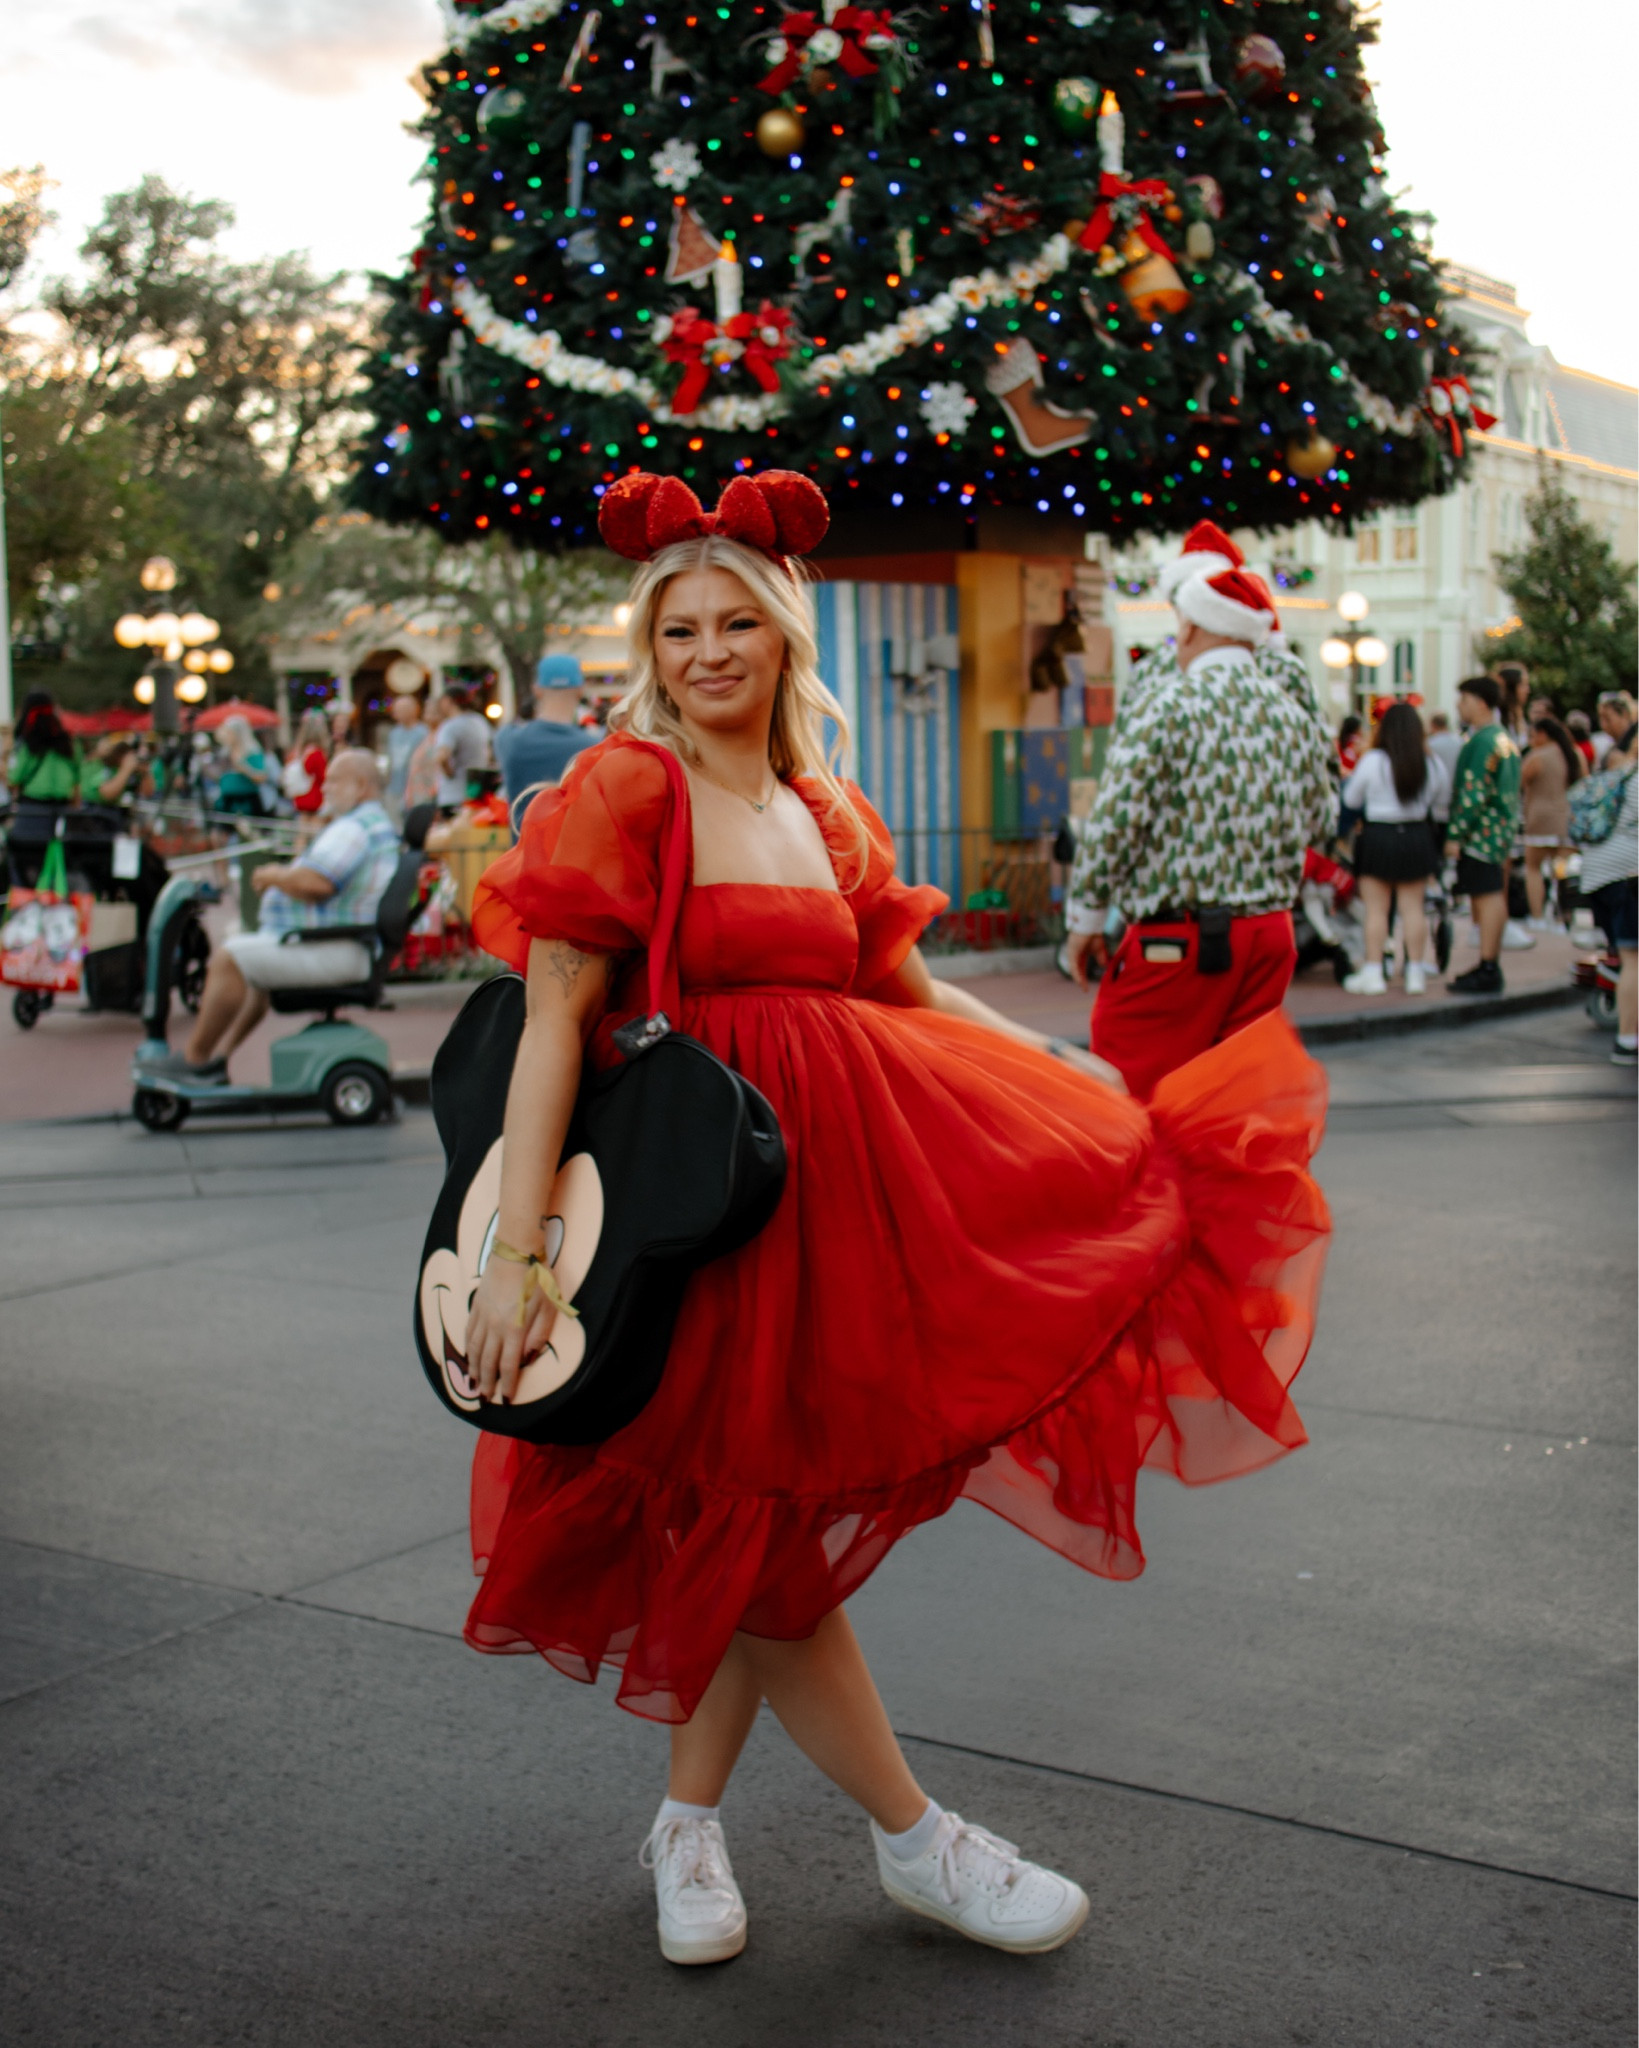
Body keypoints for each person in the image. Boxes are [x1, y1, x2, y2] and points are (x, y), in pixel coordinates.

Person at [458, 470, 1331, 1970]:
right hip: (686, 1218)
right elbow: (552, 1026)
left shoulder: (819, 805)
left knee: (762, 1515)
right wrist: (516, 1251)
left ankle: (684, 1829)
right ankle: (920, 1841)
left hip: (822, 1206)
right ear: (650, 648)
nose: (710, 653)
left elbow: (905, 1000)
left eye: (739, 622)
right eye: (680, 631)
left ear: (787, 636)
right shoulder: (626, 789)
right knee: (748, 1518)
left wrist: (1058, 1069)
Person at [1063, 521, 1335, 1099]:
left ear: (1189, 624)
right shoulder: (1289, 710)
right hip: (1270, 934)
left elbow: (1117, 819)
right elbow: (1322, 818)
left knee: (1130, 1094)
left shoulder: (1170, 702)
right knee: (1234, 1104)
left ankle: (1151, 1194)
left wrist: (1085, 919)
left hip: (1182, 939)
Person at [136, 750, 401, 1083]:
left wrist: (275, 875)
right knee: (251, 962)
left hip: (337, 946)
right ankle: (216, 1060)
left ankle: (196, 1059)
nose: (325, 788)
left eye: (333, 781)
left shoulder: (355, 828)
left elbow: (317, 882)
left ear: (361, 785)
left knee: (229, 959)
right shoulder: (370, 822)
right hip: (342, 942)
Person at [1339, 704, 1448, 996]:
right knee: (1413, 909)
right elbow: (1441, 798)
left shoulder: (1373, 760)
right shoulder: (1430, 762)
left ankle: (1374, 971)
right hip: (1416, 835)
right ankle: (1414, 972)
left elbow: (1350, 799)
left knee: (1376, 910)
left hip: (1379, 835)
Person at [1444, 676, 1521, 996]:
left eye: (1463, 699)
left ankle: (1489, 966)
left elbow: (1473, 792)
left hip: (1481, 833)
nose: (1459, 706)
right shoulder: (1502, 738)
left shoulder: (1482, 741)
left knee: (1487, 896)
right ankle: (1488, 963)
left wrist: (1455, 834)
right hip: (1498, 830)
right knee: (1491, 895)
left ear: (1480, 702)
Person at [1578, 722, 1638, 1064]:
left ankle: (1628, 1040)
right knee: (1633, 960)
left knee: (1629, 958)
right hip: (1628, 877)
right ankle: (1628, 1040)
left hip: (1602, 876)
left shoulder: (1622, 774)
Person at [493, 656, 597, 816]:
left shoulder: (508, 739)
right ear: (580, 690)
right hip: (575, 841)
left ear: (537, 690)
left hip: (524, 840)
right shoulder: (593, 747)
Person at [1520, 715, 1582, 928]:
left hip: (1540, 818)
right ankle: (1563, 916)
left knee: (1533, 868)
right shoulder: (1574, 754)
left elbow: (1520, 781)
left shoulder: (1537, 756)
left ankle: (1537, 916)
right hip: (1567, 818)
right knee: (1563, 872)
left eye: (1532, 735)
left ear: (1542, 734)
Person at [6, 690, 82, 806]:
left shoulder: (29, 743)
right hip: (64, 807)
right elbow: (77, 778)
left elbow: (15, 778)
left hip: (33, 809)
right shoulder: (69, 741)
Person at [434, 688, 494, 811]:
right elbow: (489, 752)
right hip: (477, 793)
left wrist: (449, 773)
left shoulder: (449, 726)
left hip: (453, 794)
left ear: (448, 701)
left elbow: (442, 756)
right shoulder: (480, 721)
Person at [215, 714, 276, 818]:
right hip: (227, 800)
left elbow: (262, 777)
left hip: (246, 800)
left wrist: (244, 768)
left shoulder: (252, 752)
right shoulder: (225, 753)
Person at [383, 692, 430, 821]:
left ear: (414, 710)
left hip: (416, 789)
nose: (397, 714)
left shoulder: (423, 732)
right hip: (394, 788)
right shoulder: (394, 733)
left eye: (401, 710)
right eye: (396, 710)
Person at [285, 710, 331, 817]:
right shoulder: (317, 753)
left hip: (300, 795)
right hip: (313, 797)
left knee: (303, 828)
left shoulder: (299, 751)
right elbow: (322, 778)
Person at [1595, 691, 1636, 769]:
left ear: (1624, 714)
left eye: (1607, 718)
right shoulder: (1611, 749)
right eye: (1600, 718)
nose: (1603, 725)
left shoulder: (1634, 744)